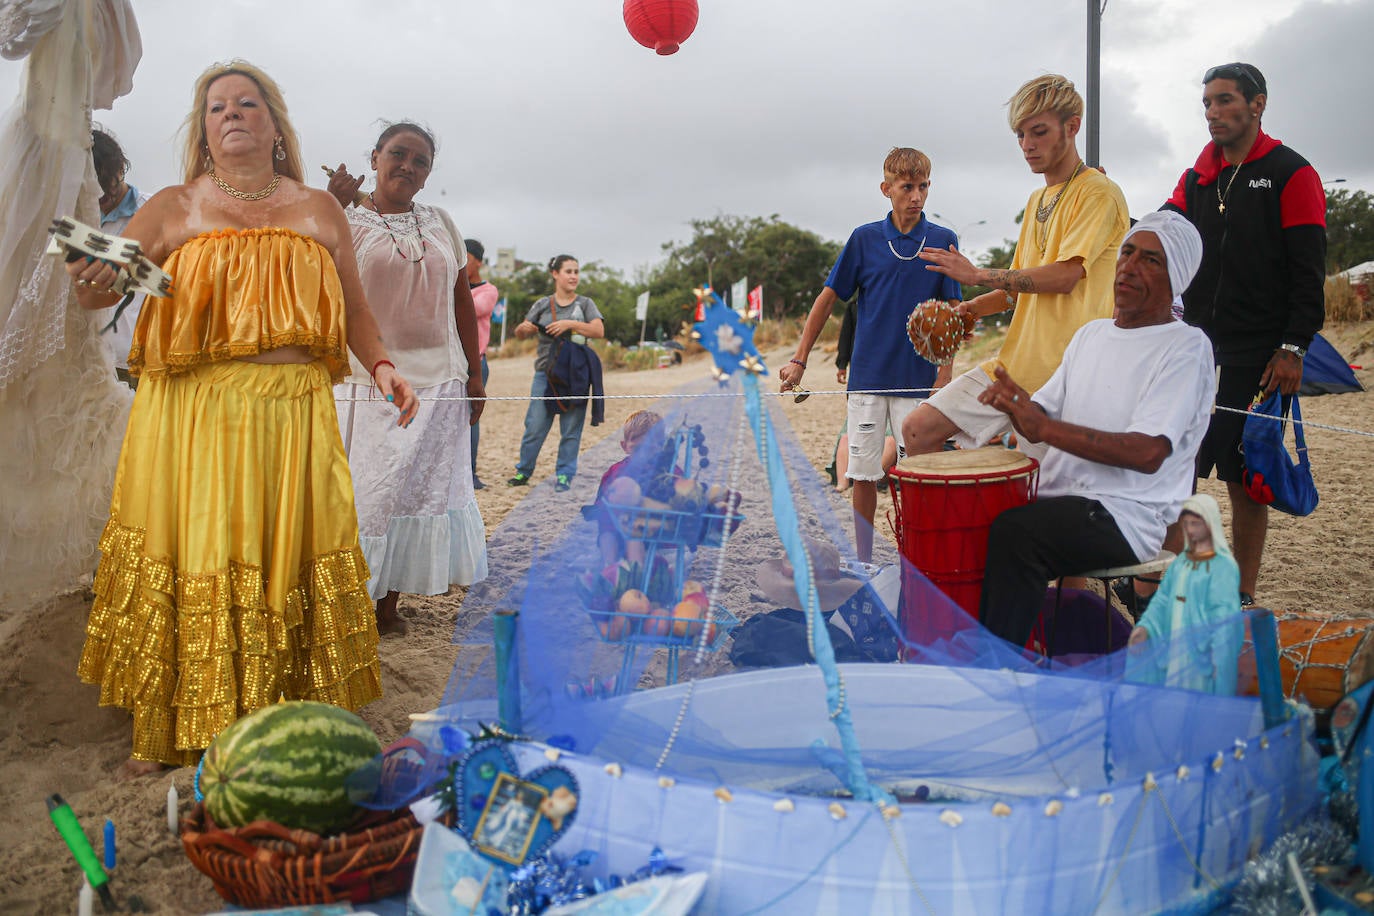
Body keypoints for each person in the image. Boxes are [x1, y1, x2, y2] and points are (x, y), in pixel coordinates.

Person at [67, 61, 419, 774]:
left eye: (247, 103)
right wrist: (85, 267)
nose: (232, 114)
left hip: (296, 415)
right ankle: (183, 716)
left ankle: (288, 713)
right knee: (204, 555)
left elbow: (354, 307)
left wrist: (380, 363)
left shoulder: (320, 209)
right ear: (203, 128)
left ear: (273, 121)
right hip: (195, 417)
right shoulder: (171, 207)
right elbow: (95, 296)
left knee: (288, 553)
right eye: (217, 106)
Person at [976, 212, 1215, 648]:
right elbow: (1039, 412)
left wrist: (1043, 426)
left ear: (1175, 278)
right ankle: (1013, 648)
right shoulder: (1091, 335)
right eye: (1127, 253)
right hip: (1064, 500)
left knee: (1018, 537)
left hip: (1128, 514)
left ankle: (999, 674)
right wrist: (1014, 403)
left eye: (1151, 261)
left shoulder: (1186, 346)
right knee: (970, 521)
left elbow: (1148, 453)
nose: (1128, 266)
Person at [1161, 62, 1327, 608]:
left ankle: (1243, 593)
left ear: (1258, 105)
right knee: (1175, 467)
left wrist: (1293, 346)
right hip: (1195, 347)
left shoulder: (1291, 172)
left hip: (1260, 352)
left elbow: (1309, 271)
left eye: (1225, 101)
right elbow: (1160, 232)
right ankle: (1166, 583)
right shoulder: (1196, 178)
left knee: (1245, 476)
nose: (1213, 113)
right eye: (1207, 103)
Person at [903, 75, 1129, 462]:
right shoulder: (1037, 198)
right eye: (1020, 135)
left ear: (1072, 127)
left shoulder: (1098, 192)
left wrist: (976, 276)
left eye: (1038, 132)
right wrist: (970, 310)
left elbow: (1065, 276)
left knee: (1047, 497)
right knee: (917, 429)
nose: (1027, 145)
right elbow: (1016, 289)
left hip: (1066, 379)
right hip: (1012, 368)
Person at [0, 0, 140, 613]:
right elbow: (137, 277)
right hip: (70, 359)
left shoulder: (34, 189)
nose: (111, 192)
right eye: (109, 182)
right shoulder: (66, 203)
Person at [326, 122, 488, 636]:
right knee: (365, 498)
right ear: (374, 157)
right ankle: (346, 605)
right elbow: (309, 280)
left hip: (440, 382)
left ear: (428, 174)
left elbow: (462, 300)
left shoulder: (440, 221)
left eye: (420, 162)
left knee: (413, 496)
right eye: (397, 154)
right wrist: (332, 205)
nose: (407, 167)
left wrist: (474, 372)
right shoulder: (342, 219)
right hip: (365, 381)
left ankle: (386, 606)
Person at [778, 147, 961, 567]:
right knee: (862, 473)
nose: (916, 196)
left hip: (919, 380)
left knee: (920, 479)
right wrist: (800, 359)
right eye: (907, 187)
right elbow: (827, 299)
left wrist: (945, 373)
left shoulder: (943, 240)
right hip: (868, 378)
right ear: (886, 189)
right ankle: (861, 561)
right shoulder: (864, 239)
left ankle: (918, 560)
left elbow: (953, 313)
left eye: (923, 187)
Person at [1127, 494, 1244, 695]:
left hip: (1201, 644)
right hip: (1176, 639)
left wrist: (1218, 648)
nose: (1190, 530)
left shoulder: (1223, 566)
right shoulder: (1181, 563)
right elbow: (1162, 600)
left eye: (1196, 524)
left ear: (1210, 525)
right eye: (1187, 524)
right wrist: (1146, 627)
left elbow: (1224, 611)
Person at [508, 254, 605, 492]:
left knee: (571, 429)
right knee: (535, 425)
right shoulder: (542, 304)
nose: (574, 276)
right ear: (555, 274)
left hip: (577, 376)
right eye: (568, 271)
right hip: (545, 374)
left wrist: (570, 324)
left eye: (576, 272)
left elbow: (598, 330)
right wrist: (524, 328)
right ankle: (523, 471)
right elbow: (520, 333)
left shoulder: (585, 304)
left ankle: (564, 475)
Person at [91, 127, 150, 388]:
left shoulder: (150, 213)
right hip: (91, 360)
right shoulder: (72, 222)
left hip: (140, 362)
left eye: (107, 185)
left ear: (120, 168)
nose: (102, 196)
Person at [465, 237, 497, 490]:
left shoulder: (488, 290)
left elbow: (473, 308)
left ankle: (471, 472)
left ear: (478, 261)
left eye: (465, 256)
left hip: (476, 361)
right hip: (448, 360)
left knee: (471, 416)